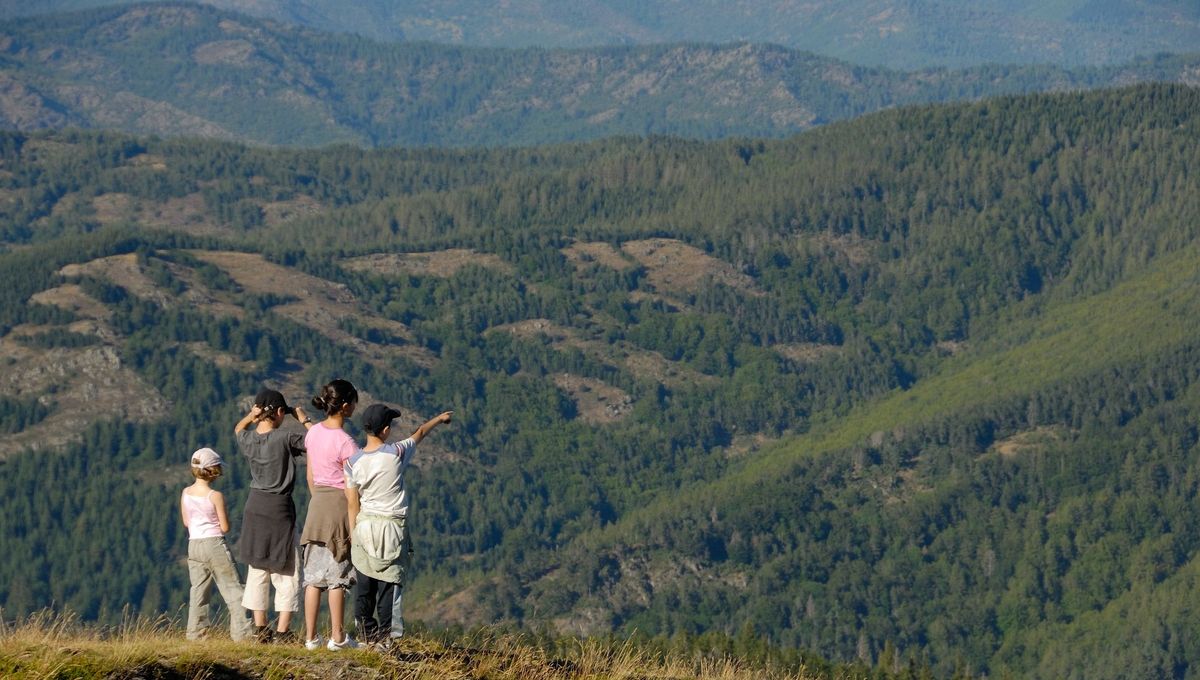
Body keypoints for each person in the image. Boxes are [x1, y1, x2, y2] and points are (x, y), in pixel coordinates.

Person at [346, 404, 452, 649]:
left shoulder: (352, 463)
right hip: (392, 527)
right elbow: (420, 433)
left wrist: (354, 535)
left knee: (365, 583)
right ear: (385, 430)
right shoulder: (396, 454)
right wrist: (439, 418)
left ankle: (365, 633)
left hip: (364, 525)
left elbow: (352, 502)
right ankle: (386, 638)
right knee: (389, 584)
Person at [234, 388, 313, 644]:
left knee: (258, 567)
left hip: (254, 507)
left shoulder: (248, 439)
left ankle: (260, 629)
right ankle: (282, 631)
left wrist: (250, 416)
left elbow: (238, 429)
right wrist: (303, 419)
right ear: (280, 413)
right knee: (286, 568)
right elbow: (318, 442)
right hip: (279, 508)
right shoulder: (286, 438)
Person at [300, 379, 360, 651]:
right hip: (339, 505)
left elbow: (310, 475)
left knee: (313, 577)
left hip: (317, 506)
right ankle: (337, 637)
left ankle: (311, 638)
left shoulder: (313, 434)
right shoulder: (347, 443)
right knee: (338, 574)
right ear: (346, 406)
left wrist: (317, 497)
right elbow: (356, 485)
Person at [181, 447, 254, 642]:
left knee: (198, 591)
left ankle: (196, 635)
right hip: (214, 544)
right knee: (234, 590)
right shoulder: (215, 496)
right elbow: (225, 526)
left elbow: (186, 522)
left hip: (193, 544)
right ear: (212, 471)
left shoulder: (186, 493)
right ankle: (243, 635)